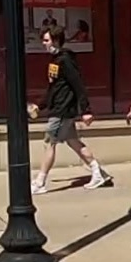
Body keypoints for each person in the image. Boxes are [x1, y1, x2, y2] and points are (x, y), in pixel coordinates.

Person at [36, 41, 105, 194]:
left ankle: (40, 182)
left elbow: (78, 85)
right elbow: (54, 87)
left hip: (63, 109)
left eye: (46, 40)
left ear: (55, 40)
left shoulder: (66, 60)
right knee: (73, 141)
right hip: (59, 107)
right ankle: (98, 173)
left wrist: (86, 110)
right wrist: (41, 105)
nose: (44, 43)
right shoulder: (55, 60)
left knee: (49, 143)